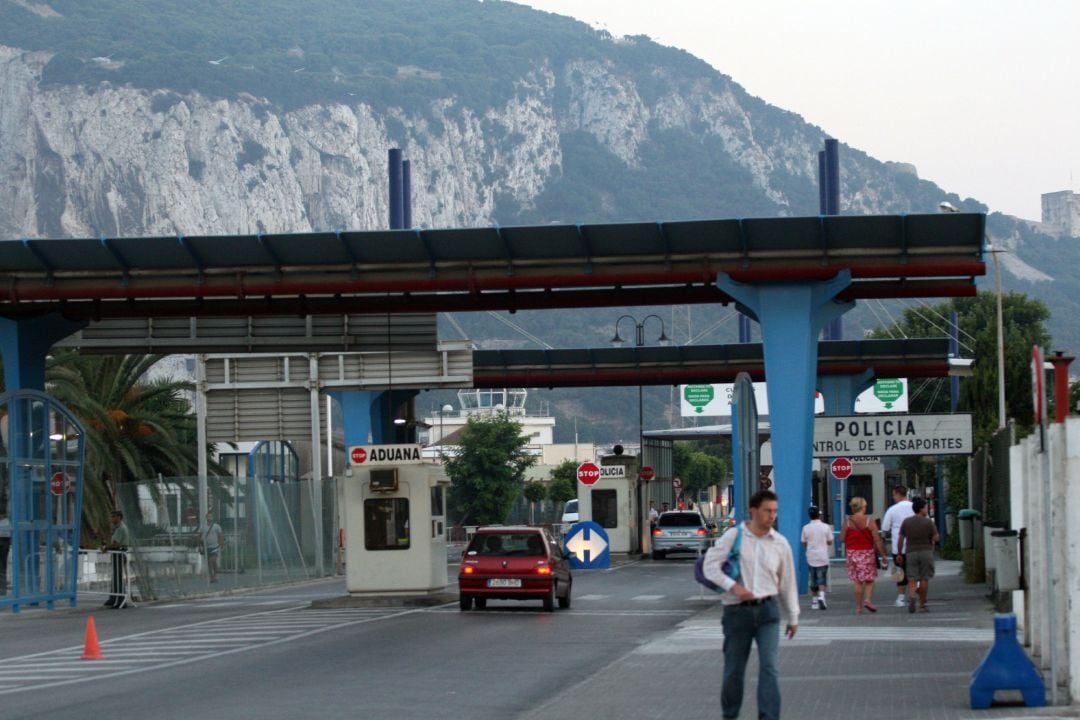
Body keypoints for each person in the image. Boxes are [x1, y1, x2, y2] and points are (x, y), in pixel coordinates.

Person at [704, 489, 798, 720]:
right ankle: (730, 714)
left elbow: (787, 581)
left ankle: (768, 716)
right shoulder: (734, 537)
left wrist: (793, 616)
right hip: (737, 613)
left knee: (770, 668)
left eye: (775, 511)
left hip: (768, 611)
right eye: (767, 511)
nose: (772, 516)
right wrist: (734, 587)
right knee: (734, 671)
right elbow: (709, 566)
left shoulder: (780, 543)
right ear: (753, 511)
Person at [841, 496, 886, 614]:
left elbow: (842, 538)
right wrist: (883, 556)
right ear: (862, 507)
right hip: (866, 553)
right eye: (865, 506)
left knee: (857, 581)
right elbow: (877, 540)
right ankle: (867, 600)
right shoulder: (869, 522)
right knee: (869, 580)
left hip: (852, 553)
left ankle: (858, 607)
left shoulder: (847, 522)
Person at [899, 497, 940, 613]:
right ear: (921, 509)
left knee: (912, 578)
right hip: (926, 551)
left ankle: (912, 595)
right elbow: (936, 538)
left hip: (911, 552)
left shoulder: (906, 522)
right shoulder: (928, 522)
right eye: (925, 507)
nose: (926, 509)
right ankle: (922, 604)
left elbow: (901, 538)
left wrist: (899, 553)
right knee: (924, 578)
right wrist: (932, 537)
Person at [880, 485, 914, 607]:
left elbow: (885, 528)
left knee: (900, 573)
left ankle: (900, 598)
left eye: (894, 494)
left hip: (898, 548)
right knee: (913, 573)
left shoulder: (892, 510)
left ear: (899, 494)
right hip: (914, 546)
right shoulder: (914, 507)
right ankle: (913, 595)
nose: (893, 497)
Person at [801, 505, 833, 610]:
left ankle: (814, 601)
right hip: (823, 556)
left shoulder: (806, 528)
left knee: (813, 578)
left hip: (811, 556)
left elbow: (803, 542)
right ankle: (822, 597)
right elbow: (830, 541)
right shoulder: (825, 527)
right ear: (819, 515)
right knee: (822, 578)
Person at [101, 510, 133, 608]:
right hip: (117, 553)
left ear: (119, 517)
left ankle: (120, 600)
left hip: (119, 552)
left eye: (113, 517)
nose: (112, 519)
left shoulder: (121, 528)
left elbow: (116, 543)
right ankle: (113, 598)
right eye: (111, 516)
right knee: (115, 577)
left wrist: (106, 548)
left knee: (118, 578)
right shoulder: (117, 528)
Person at [203, 511, 224, 582]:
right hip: (207, 547)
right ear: (206, 518)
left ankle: (215, 574)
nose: (209, 518)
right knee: (209, 562)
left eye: (210, 516)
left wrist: (221, 545)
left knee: (213, 560)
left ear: (212, 518)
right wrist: (200, 544)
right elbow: (199, 535)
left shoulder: (216, 526)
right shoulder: (203, 526)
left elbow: (221, 536)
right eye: (208, 516)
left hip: (215, 546)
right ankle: (211, 577)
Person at [0, 511, 11, 595]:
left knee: (2, 568)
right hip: (4, 544)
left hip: (3, 544)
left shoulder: (5, 522)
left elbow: (6, 534)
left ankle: (2, 591)